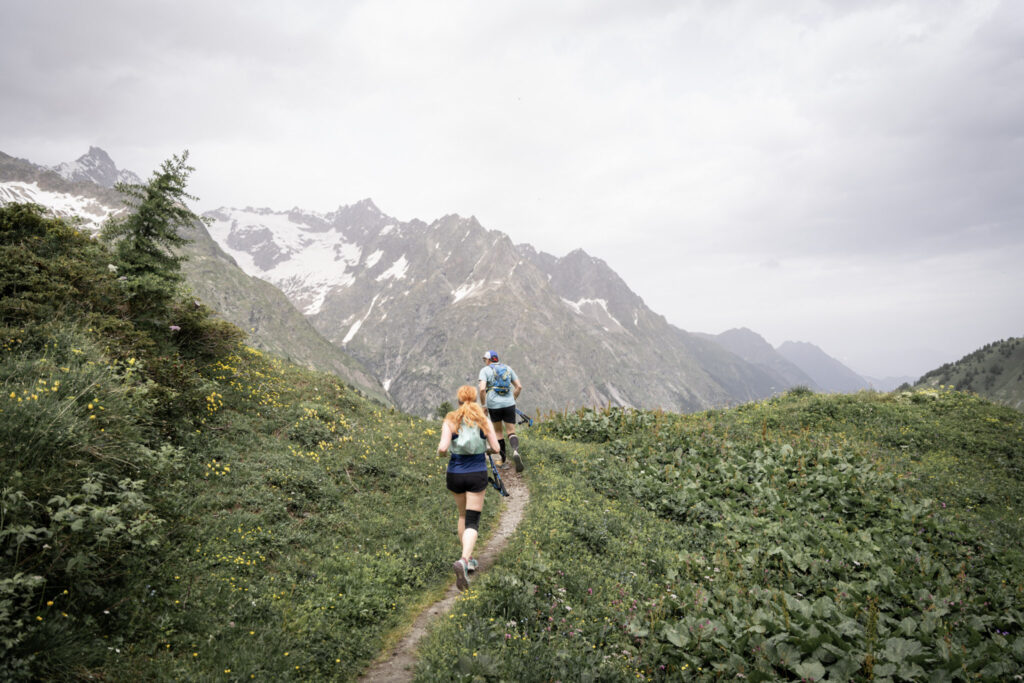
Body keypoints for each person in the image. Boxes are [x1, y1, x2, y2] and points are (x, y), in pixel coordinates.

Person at [437, 384, 501, 591]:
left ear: (458, 400)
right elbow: (497, 447)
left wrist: (443, 455)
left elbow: (443, 448)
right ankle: (464, 561)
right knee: (473, 520)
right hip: (476, 473)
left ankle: (469, 558)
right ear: (474, 399)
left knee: (462, 516)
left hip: (455, 473)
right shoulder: (483, 420)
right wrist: (487, 449)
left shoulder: (450, 419)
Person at [478, 350, 524, 472]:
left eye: (485, 360)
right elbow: (519, 387)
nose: (485, 362)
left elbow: (482, 389)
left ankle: (502, 460)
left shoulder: (485, 370)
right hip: (509, 404)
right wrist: (512, 399)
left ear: (488, 360)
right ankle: (515, 451)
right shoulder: (508, 368)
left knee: (498, 432)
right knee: (511, 431)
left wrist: (483, 405)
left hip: (494, 405)